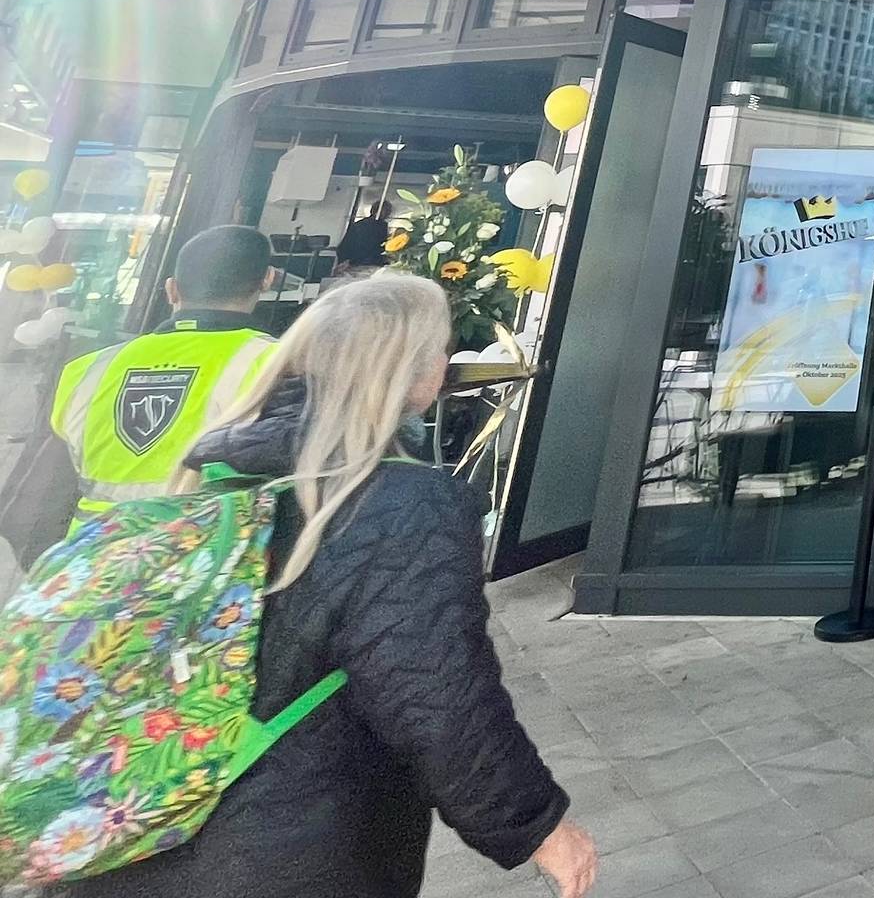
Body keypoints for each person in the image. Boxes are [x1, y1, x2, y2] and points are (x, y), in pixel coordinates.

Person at [64, 272, 596, 898]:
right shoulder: (398, 504)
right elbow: (437, 694)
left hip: (129, 836)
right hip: (279, 853)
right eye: (440, 350)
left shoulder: (210, 473)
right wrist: (540, 828)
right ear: (414, 374)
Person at [49, 224, 280, 522]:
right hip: (206, 555)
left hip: (89, 556)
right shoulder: (278, 363)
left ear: (171, 289)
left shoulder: (87, 369)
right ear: (267, 280)